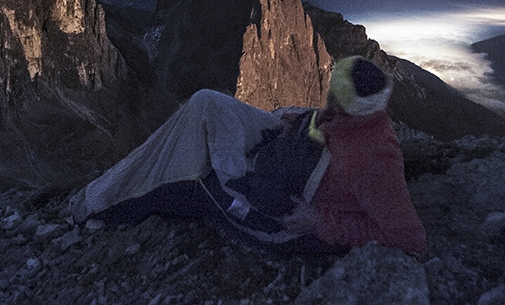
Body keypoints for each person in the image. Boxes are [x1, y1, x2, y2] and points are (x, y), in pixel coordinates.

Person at [69, 56, 427, 255]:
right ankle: (113, 191)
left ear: (349, 104)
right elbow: (327, 123)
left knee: (199, 182)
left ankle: (95, 204)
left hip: (284, 215)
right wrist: (297, 121)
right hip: (280, 160)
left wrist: (318, 223)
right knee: (205, 101)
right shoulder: (352, 119)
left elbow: (409, 237)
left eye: (335, 94)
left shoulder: (376, 158)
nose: (328, 97)